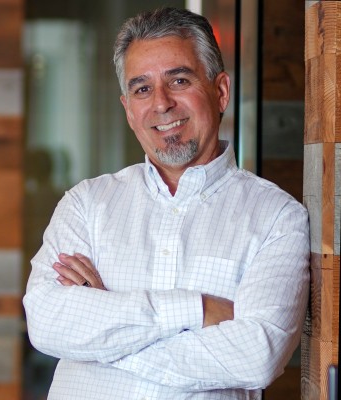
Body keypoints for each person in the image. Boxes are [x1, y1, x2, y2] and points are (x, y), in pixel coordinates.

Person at [23, 7, 310, 400]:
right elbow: (46, 321)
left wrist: (103, 336)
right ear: (128, 110)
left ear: (220, 92)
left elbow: (257, 356)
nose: (161, 103)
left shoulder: (277, 217)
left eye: (179, 80)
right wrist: (197, 310)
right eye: (142, 89)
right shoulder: (86, 204)